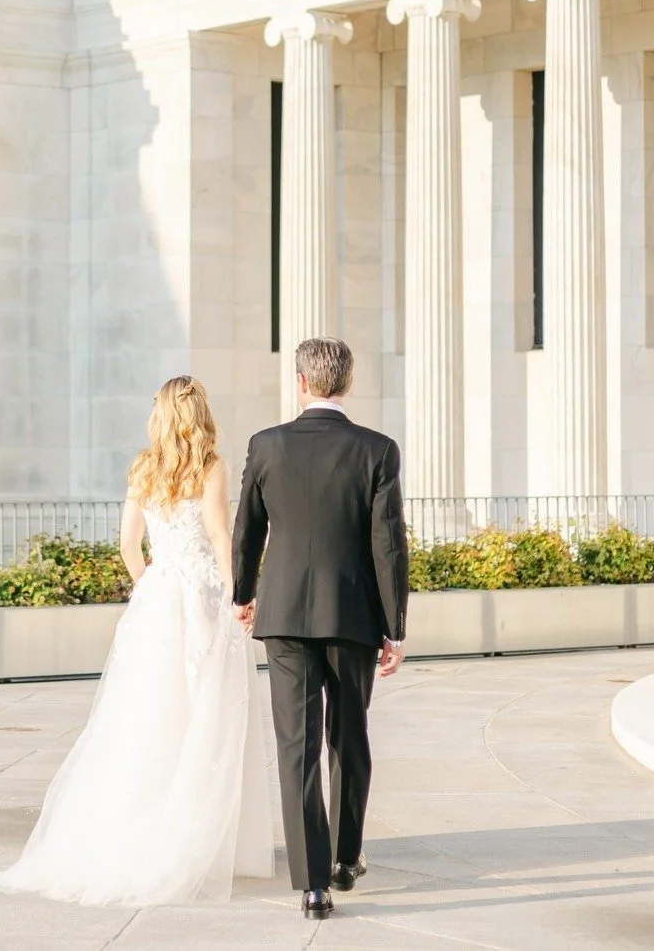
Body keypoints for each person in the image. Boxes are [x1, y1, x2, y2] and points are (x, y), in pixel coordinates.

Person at [0, 376, 273, 906]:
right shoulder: (210, 467)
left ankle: (133, 829)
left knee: (146, 715)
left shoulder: (142, 469)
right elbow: (220, 539)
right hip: (201, 602)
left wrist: (152, 584)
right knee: (205, 717)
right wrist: (240, 597)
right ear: (199, 414)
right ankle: (200, 840)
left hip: (160, 599)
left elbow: (128, 545)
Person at [232, 337, 408, 922]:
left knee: (296, 747)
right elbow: (388, 547)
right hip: (353, 615)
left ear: (301, 382)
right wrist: (395, 626)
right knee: (349, 736)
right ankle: (346, 856)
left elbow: (246, 531)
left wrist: (242, 594)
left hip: (282, 616)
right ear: (346, 382)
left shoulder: (265, 445)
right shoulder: (377, 450)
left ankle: (312, 885)